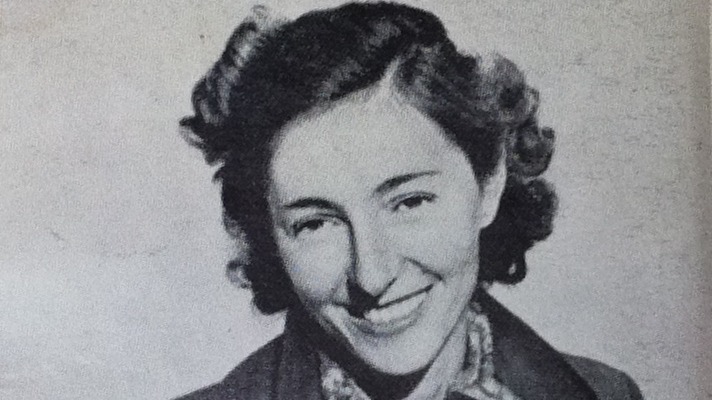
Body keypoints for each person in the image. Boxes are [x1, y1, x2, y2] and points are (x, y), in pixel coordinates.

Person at [175, 3, 643, 399]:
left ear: (489, 182)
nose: (371, 276)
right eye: (315, 223)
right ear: (270, 236)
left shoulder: (609, 393)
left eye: (410, 202)